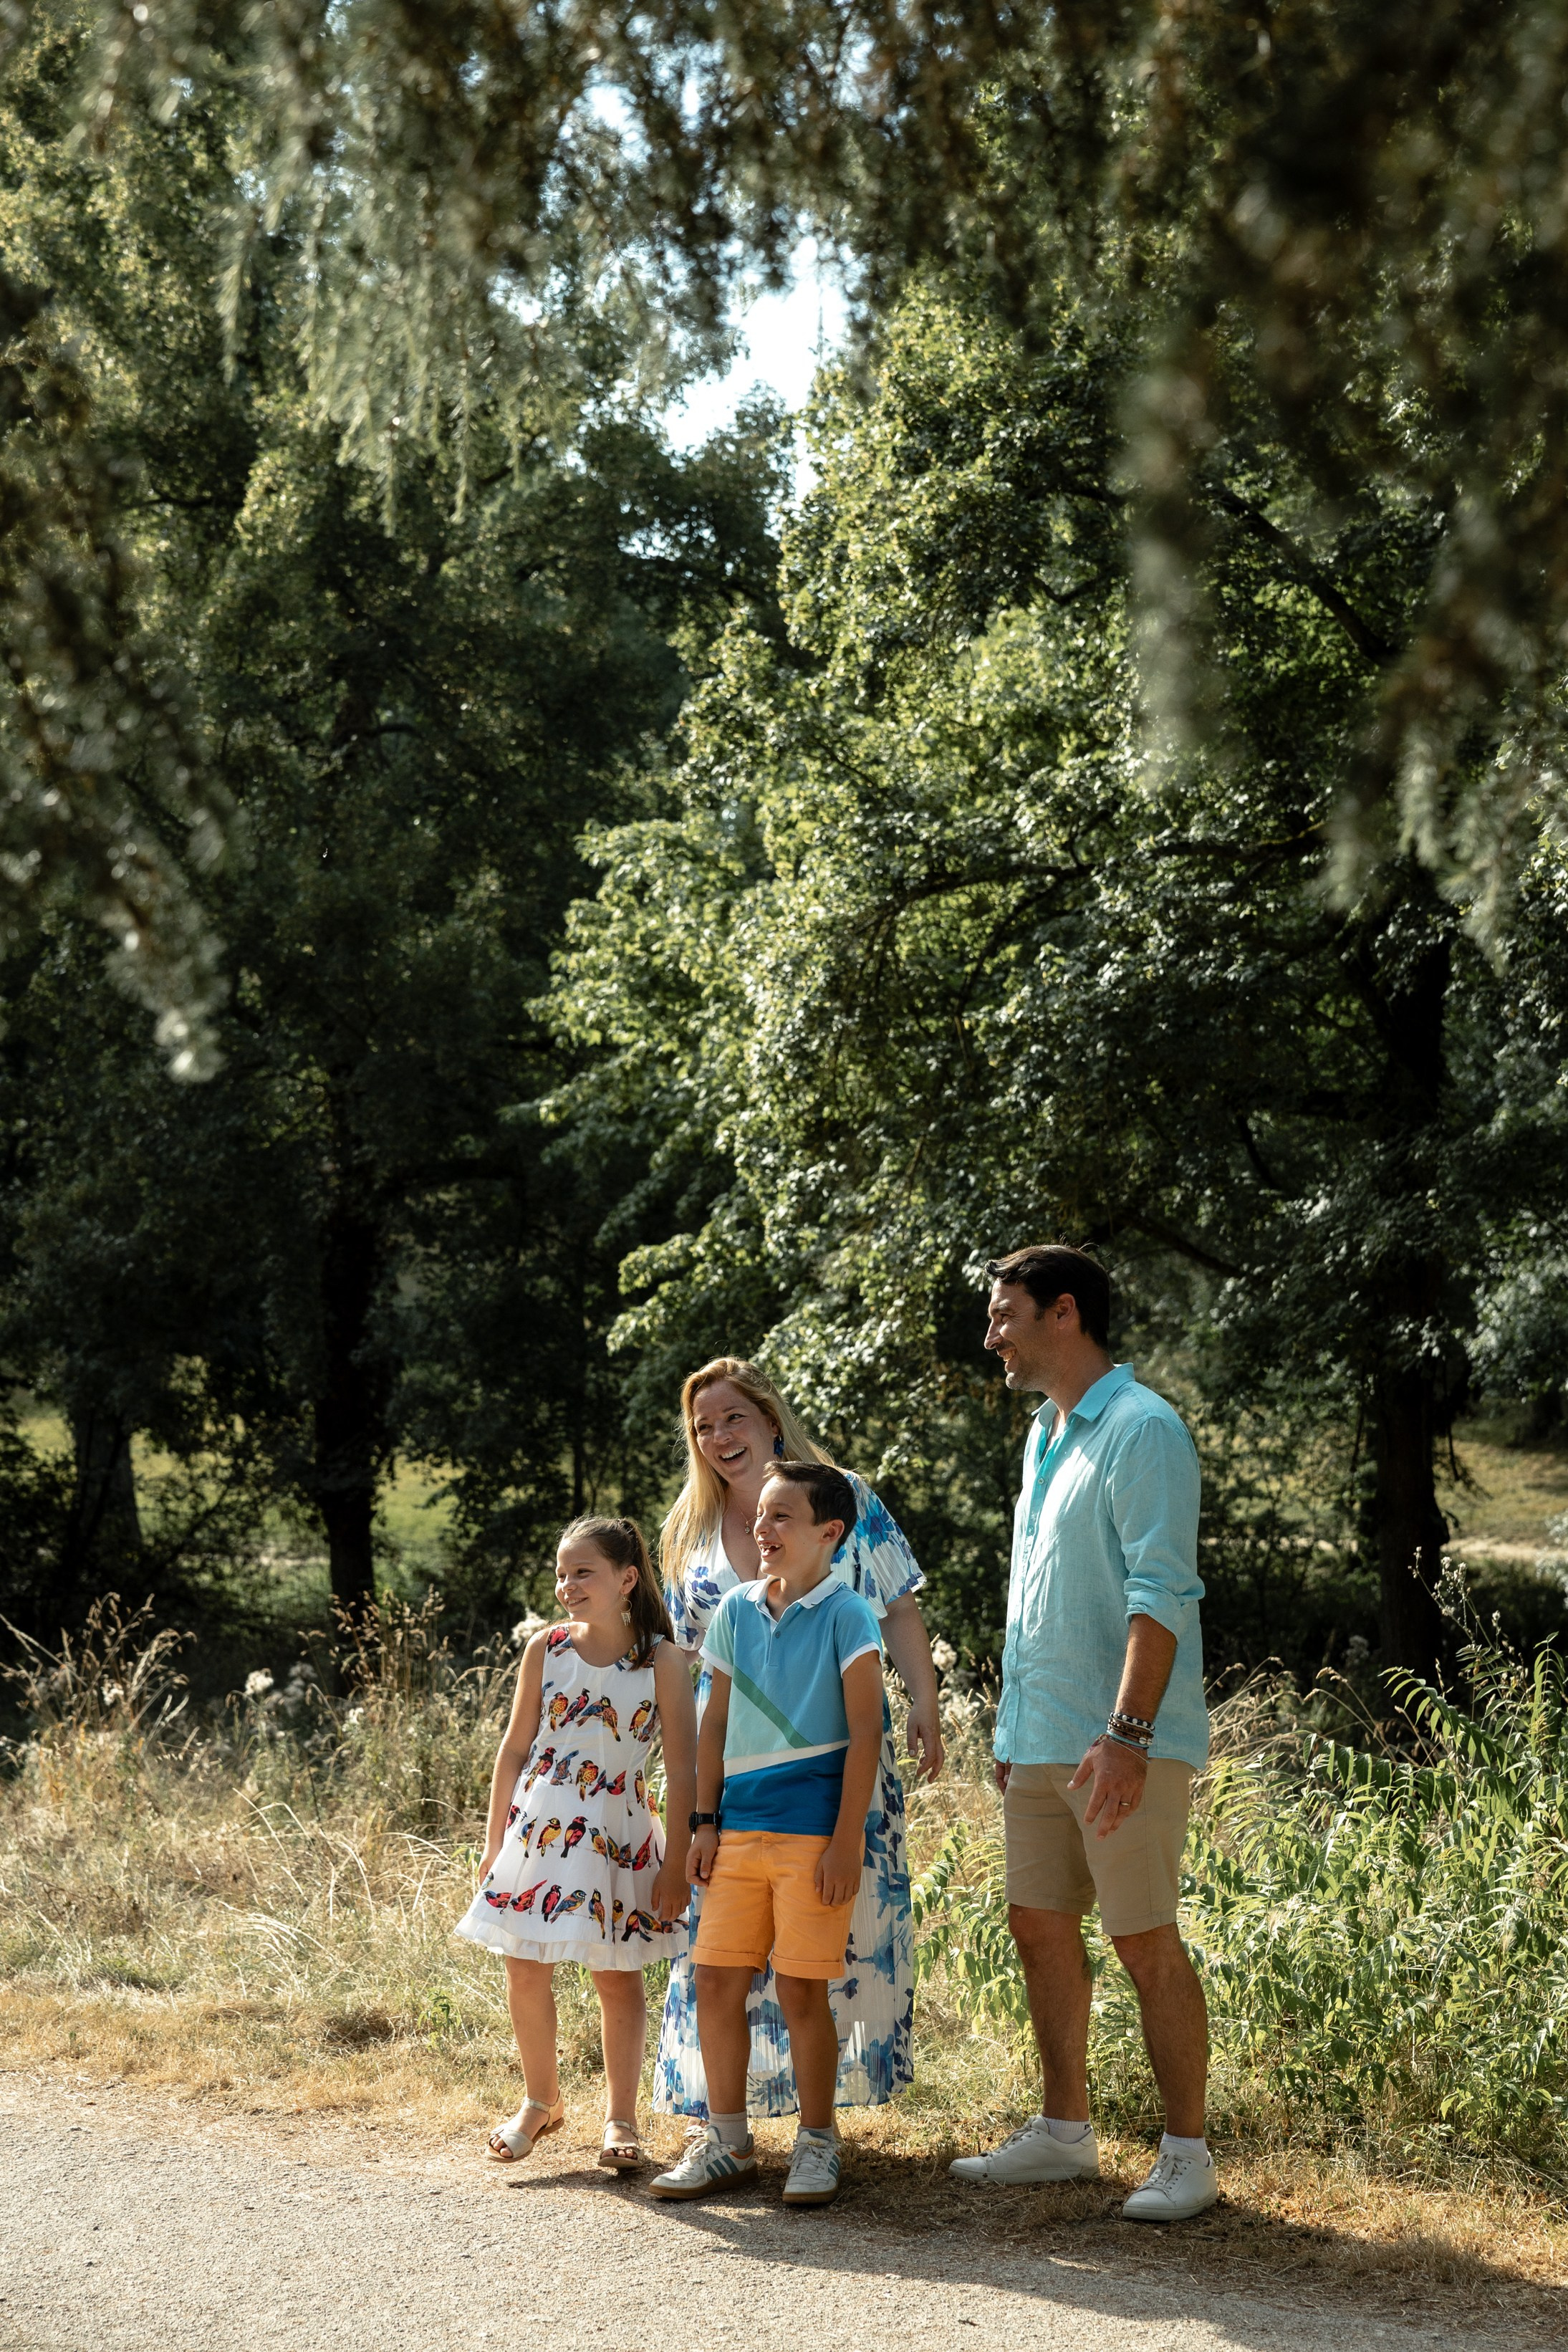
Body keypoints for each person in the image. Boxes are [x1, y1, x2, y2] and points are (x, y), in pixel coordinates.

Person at [948, 1244, 1218, 2223]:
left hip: (1123, 1738)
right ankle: (1064, 2133)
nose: (992, 1335)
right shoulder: (1043, 1433)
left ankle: (1186, 2154)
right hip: (1043, 1735)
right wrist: (1015, 1722)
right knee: (1037, 1928)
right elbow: (1040, 1595)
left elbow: (1163, 1592)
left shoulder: (1144, 1429)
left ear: (1064, 1312)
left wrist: (1129, 1729)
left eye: (1003, 1313)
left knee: (1144, 1937)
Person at [653, 1355, 943, 2123]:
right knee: (719, 1952)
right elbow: (685, 1666)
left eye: (733, 1418)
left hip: (836, 1766)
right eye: (702, 1426)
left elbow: (898, 1603)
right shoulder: (686, 1530)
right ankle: (725, 2124)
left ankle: (819, 2124)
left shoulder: (839, 1495)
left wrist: (923, 1699)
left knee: (829, 1942)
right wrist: (685, 1790)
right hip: (736, 1776)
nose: (719, 1436)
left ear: (769, 1418)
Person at [650, 1459, 884, 2207]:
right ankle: (726, 2140)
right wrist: (702, 1822)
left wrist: (847, 1840)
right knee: (715, 1979)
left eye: (781, 1516)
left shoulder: (849, 1614)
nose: (762, 1528)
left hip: (813, 1837)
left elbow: (865, 1731)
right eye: (759, 1517)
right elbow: (711, 1725)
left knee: (799, 1987)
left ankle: (817, 2142)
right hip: (735, 1834)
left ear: (829, 1532)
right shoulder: (735, 1612)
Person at [456, 1515, 696, 2172]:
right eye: (561, 1572)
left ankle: (621, 2117)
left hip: (616, 1836)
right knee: (524, 1966)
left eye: (582, 1571)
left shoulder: (664, 1660)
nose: (567, 1584)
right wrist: (492, 1840)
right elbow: (513, 1751)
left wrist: (676, 1862)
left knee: (616, 1976)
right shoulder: (547, 1648)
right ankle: (541, 2101)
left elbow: (683, 1771)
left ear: (626, 1578)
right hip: (537, 1830)